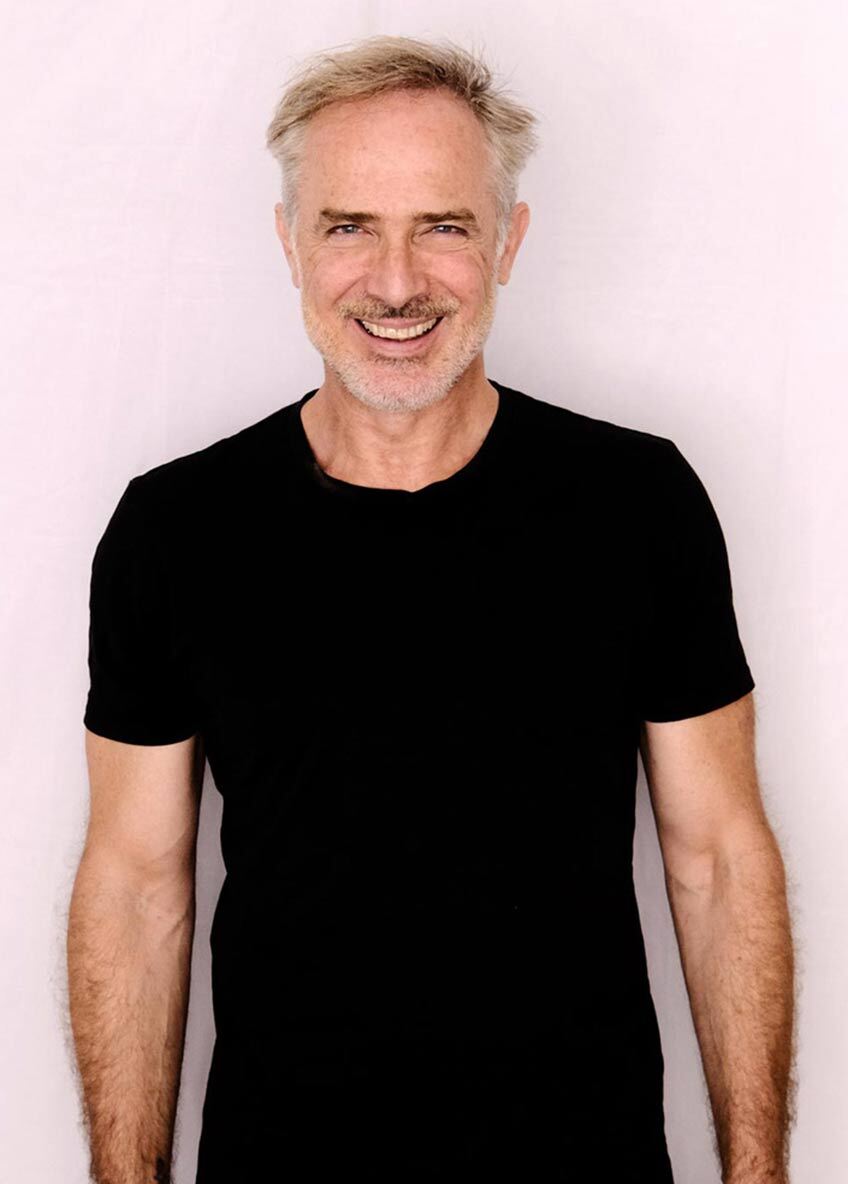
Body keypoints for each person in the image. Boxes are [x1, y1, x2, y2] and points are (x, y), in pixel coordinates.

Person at [67, 33, 796, 1184]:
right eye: (348, 227)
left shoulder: (637, 504)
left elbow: (716, 860)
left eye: (443, 226)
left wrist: (759, 1176)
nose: (397, 282)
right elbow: (133, 884)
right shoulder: (174, 529)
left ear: (507, 240)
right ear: (289, 242)